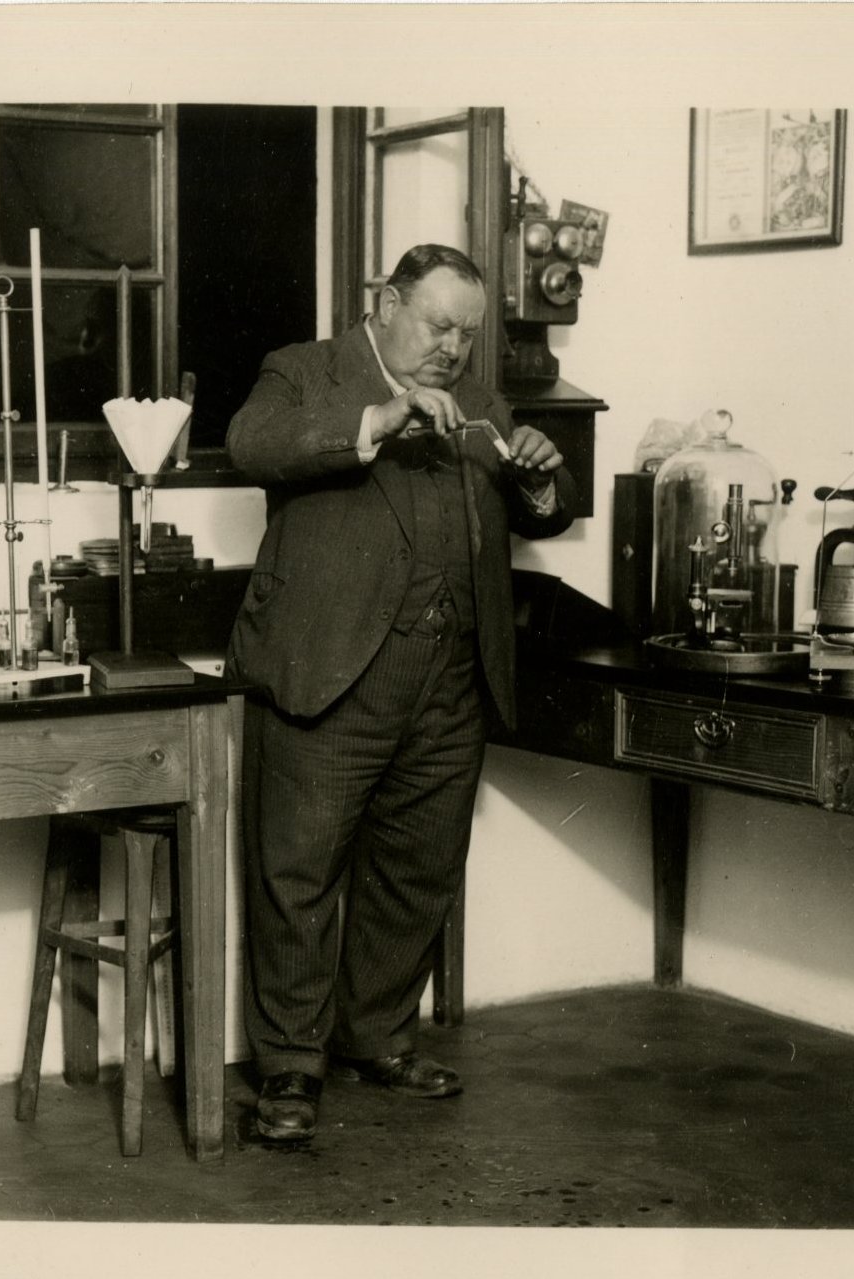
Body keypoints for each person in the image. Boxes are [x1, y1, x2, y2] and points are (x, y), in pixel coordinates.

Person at [225, 242, 574, 1144]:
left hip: (450, 678)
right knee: (298, 877)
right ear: (386, 303)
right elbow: (251, 442)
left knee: (416, 873)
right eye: (438, 325)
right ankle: (289, 1073)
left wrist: (540, 475)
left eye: (467, 331)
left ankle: (375, 1038)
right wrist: (376, 419)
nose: (453, 348)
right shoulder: (305, 371)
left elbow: (550, 502)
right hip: (330, 671)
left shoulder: (481, 398)